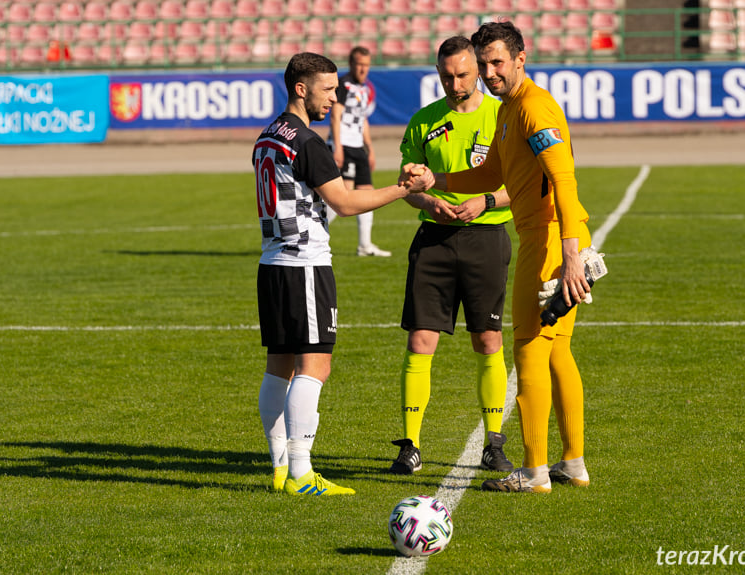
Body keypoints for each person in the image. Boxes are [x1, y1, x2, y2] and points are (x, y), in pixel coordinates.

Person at [420, 22, 594, 493]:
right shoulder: (509, 110)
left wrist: (570, 257)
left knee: (529, 351)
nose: (490, 72)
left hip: (552, 241)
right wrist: (433, 180)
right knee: (557, 352)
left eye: (498, 62)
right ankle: (572, 463)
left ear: (521, 58)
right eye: (485, 64)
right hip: (556, 237)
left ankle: (535, 471)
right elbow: (490, 172)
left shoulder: (534, 108)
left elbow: (565, 180)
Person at [253, 52, 431, 496]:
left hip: (273, 264)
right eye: (328, 89)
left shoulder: (269, 134)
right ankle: (300, 473)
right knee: (315, 366)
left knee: (279, 368)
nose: (335, 97)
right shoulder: (307, 141)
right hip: (305, 265)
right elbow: (345, 204)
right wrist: (405, 188)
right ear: (301, 88)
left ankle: (279, 468)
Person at [388, 36, 515, 476]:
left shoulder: (503, 116)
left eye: (462, 74)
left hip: (487, 238)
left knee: (488, 340)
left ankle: (493, 442)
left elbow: (519, 187)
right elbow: (409, 188)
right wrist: (429, 202)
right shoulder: (424, 121)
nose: (453, 83)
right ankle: (410, 445)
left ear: (477, 70)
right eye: (446, 75)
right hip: (435, 242)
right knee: (420, 341)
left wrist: (485, 201)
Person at [327, 46, 391, 256]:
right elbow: (335, 116)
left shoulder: (365, 88)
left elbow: (363, 120)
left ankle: (365, 245)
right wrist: (337, 147)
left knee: (366, 195)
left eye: (366, 65)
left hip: (358, 148)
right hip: (344, 146)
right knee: (340, 198)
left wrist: (370, 148)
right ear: (352, 64)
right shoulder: (343, 85)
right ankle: (312, 236)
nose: (363, 69)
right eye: (359, 64)